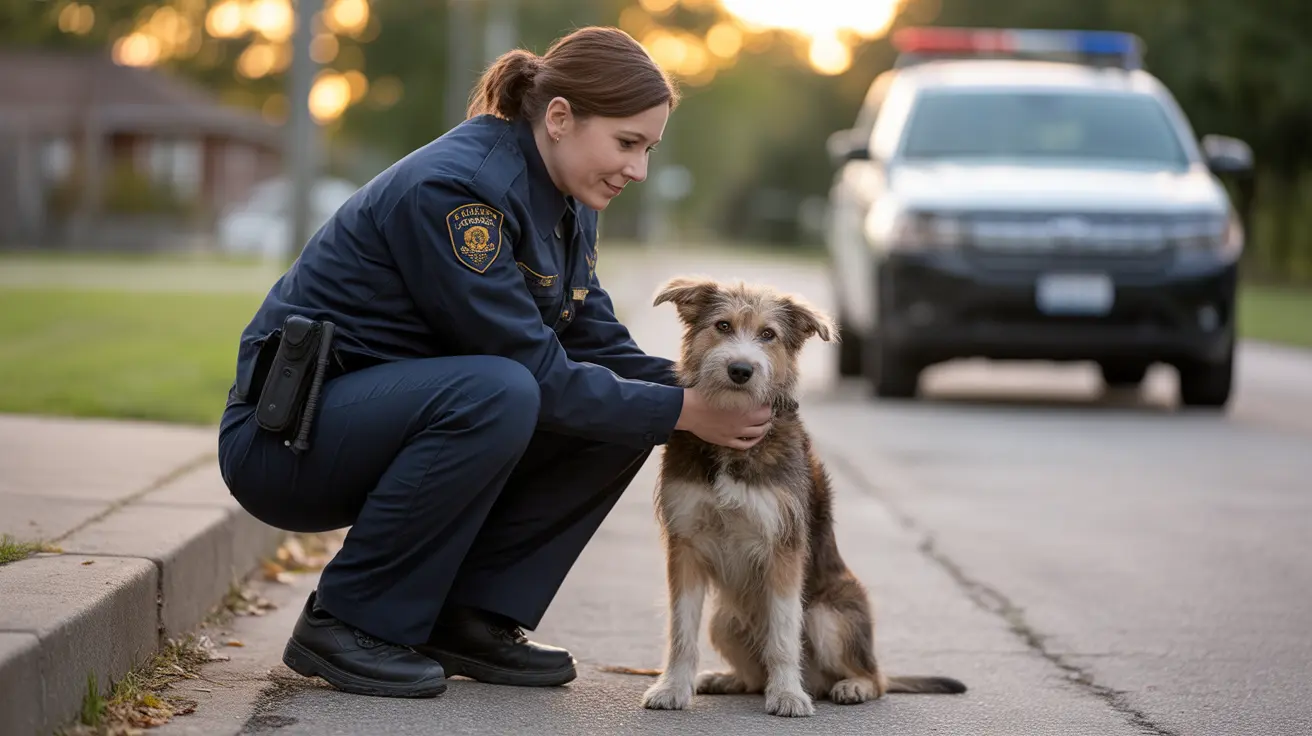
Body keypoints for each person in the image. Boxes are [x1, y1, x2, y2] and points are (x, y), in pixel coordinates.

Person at [216, 25, 773, 700]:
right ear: (561, 117)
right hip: (290, 444)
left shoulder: (567, 196)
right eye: (627, 143)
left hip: (382, 429)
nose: (638, 169)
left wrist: (709, 396)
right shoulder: (459, 193)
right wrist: (681, 410)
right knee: (503, 390)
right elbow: (535, 372)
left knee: (628, 406)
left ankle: (467, 616)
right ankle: (346, 622)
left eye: (649, 149)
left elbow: (598, 343)